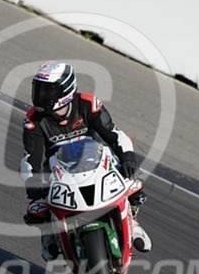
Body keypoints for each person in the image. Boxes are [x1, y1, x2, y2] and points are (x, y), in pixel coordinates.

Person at [19, 60, 152, 261]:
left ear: (65, 90)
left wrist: (127, 157)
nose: (41, 95)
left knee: (134, 183)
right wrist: (32, 180)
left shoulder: (88, 104)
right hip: (59, 168)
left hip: (97, 160)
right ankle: (50, 233)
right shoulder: (33, 120)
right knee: (37, 207)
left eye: (48, 90)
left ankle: (132, 221)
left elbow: (115, 134)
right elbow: (31, 157)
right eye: (39, 89)